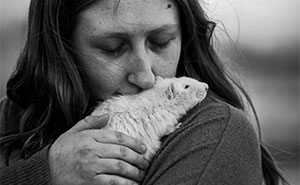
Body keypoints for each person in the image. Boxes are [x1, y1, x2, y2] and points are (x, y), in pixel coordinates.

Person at [0, 0, 287, 184]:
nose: (146, 77)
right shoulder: (9, 120)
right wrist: (41, 174)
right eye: (112, 48)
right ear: (62, 50)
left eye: (161, 42)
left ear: (185, 36)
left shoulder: (211, 135)